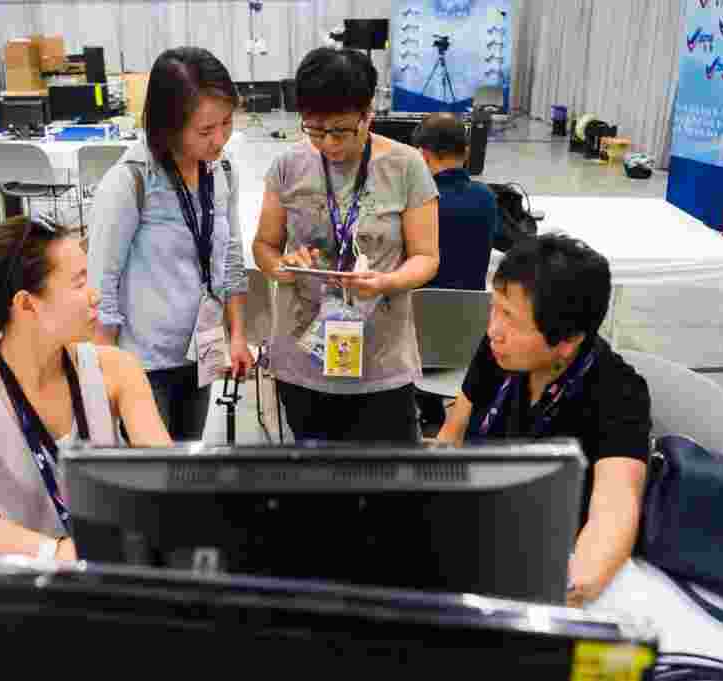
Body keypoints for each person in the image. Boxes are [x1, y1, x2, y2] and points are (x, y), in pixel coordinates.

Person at [0, 218, 171, 558]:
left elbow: (166, 479)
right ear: (26, 305)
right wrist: (65, 555)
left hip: (115, 567)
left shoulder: (118, 370)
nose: (94, 295)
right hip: (30, 585)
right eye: (79, 284)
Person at [434, 234, 651, 606]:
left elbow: (613, 512)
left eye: (511, 320)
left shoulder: (618, 392)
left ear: (567, 341)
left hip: (546, 554)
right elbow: (452, 434)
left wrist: (560, 596)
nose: (493, 331)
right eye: (494, 308)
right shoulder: (497, 352)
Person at [252, 47, 440, 442]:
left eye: (340, 130)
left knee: (387, 485)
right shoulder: (287, 167)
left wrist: (385, 281)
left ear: (367, 114)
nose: (329, 144)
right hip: (303, 357)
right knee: (316, 486)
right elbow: (264, 246)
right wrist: (281, 265)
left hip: (381, 361)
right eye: (315, 130)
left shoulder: (406, 166)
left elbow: (426, 258)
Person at [89, 47, 253, 440]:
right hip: (143, 365)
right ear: (168, 126)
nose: (219, 140)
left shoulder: (221, 171)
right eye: (204, 130)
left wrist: (237, 334)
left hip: (201, 350)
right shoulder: (131, 182)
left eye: (226, 123)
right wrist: (104, 377)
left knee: (186, 463)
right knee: (152, 480)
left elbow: (229, 256)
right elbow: (101, 286)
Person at [412, 112, 499, 291]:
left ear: (422, 155)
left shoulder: (418, 202)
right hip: (473, 310)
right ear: (467, 153)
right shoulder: (487, 197)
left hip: (420, 310)